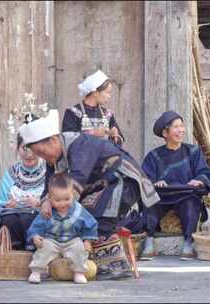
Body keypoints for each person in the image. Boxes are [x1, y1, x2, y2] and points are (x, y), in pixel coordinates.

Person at [19, 108, 159, 280]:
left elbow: (78, 178)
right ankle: (80, 264)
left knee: (91, 217)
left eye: (41, 152)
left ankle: (114, 266)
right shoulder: (54, 158)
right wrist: (45, 202)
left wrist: (61, 208)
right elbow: (49, 185)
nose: (42, 157)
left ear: (54, 140)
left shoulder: (79, 144)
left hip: (122, 180)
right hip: (100, 185)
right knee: (75, 214)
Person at [141, 111, 210, 260]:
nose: (181, 130)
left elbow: (205, 173)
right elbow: (144, 179)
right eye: (176, 127)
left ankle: (188, 242)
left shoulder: (193, 151)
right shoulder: (154, 155)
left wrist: (199, 180)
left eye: (182, 126)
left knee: (191, 202)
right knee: (150, 202)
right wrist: (155, 183)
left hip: (185, 194)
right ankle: (148, 240)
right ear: (165, 133)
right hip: (163, 196)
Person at [26, 172, 98, 284]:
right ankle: (36, 271)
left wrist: (87, 241)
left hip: (72, 240)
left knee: (79, 248)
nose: (63, 204)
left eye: (67, 199)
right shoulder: (47, 211)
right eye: (58, 200)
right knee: (44, 247)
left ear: (73, 194)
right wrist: (35, 236)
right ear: (50, 198)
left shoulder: (79, 210)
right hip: (52, 239)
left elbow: (90, 224)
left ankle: (79, 272)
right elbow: (36, 225)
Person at [0, 134, 46, 250]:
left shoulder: (49, 169)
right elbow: (0, 204)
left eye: (33, 148)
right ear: (17, 148)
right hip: (13, 215)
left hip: (39, 216)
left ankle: (33, 256)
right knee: (8, 219)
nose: (29, 154)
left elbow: (57, 198)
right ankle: (13, 258)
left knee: (27, 217)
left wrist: (40, 202)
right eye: (25, 148)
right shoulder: (10, 173)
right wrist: (6, 205)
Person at [62, 70, 124, 145]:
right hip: (81, 156)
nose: (109, 96)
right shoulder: (72, 112)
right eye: (107, 92)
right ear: (95, 93)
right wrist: (93, 133)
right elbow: (66, 139)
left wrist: (115, 136)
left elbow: (120, 141)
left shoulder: (107, 114)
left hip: (104, 156)